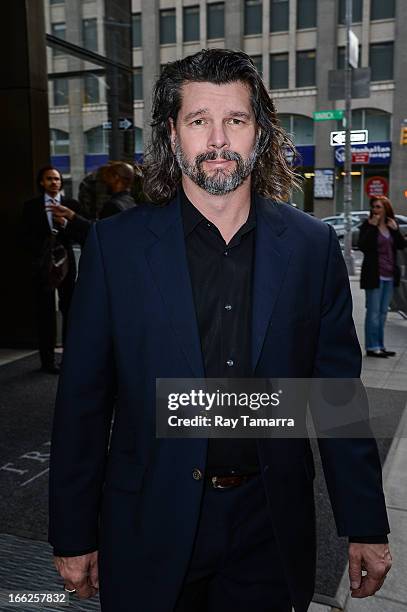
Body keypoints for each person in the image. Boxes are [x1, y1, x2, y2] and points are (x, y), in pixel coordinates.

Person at [49, 50, 391, 612]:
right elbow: (83, 403)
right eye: (198, 120)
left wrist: (365, 523)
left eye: (235, 119)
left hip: (269, 526)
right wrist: (73, 533)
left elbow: (336, 399)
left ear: (260, 130)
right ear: (173, 133)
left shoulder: (310, 249)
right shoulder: (119, 249)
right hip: (148, 520)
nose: (218, 139)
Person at [22, 166, 78, 374]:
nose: (54, 182)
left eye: (57, 179)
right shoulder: (31, 207)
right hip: (43, 267)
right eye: (49, 179)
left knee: (69, 311)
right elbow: (24, 236)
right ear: (41, 183)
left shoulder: (71, 205)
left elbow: (81, 233)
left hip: (65, 266)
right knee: (45, 314)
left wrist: (64, 224)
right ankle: (47, 362)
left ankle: (69, 359)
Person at [358, 196, 406, 358]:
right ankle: (372, 347)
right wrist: (371, 228)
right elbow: (363, 246)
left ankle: (380, 345)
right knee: (373, 313)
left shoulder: (391, 225)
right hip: (374, 276)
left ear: (386, 208)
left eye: (379, 207)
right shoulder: (368, 225)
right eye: (374, 207)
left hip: (389, 276)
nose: (376, 210)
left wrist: (395, 230)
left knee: (383, 313)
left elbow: (401, 246)